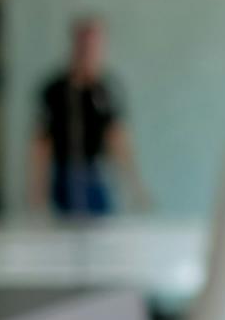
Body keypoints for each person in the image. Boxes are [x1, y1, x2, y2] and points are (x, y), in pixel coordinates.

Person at [27, 15, 144, 218]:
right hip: (65, 174)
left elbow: (116, 137)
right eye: (86, 46)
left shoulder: (105, 89)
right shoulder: (56, 90)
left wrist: (135, 186)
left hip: (96, 173)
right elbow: (41, 142)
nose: (91, 53)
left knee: (102, 224)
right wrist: (37, 190)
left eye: (95, 47)